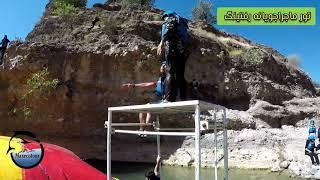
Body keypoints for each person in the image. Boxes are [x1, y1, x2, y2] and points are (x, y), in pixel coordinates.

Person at [122, 64, 167, 135]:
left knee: (149, 109)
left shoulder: (168, 79)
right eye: (162, 67)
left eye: (163, 67)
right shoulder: (159, 80)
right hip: (157, 101)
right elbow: (145, 84)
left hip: (163, 101)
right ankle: (141, 129)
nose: (162, 68)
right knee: (141, 109)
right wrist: (133, 85)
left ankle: (146, 129)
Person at [157, 11, 189, 102]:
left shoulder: (169, 19)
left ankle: (168, 98)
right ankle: (183, 98)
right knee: (180, 75)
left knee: (170, 72)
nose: (164, 19)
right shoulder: (182, 23)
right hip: (182, 50)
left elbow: (166, 32)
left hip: (172, 46)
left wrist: (161, 44)